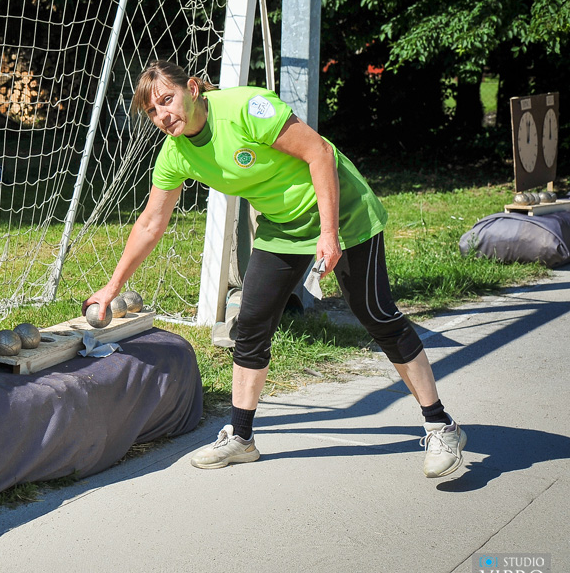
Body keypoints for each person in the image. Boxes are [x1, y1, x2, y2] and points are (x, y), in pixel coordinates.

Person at [84, 60, 467, 478]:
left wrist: (329, 232)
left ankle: (440, 425)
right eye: (153, 111)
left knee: (376, 315)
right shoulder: (176, 154)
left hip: (343, 212)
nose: (162, 115)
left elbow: (318, 152)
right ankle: (241, 438)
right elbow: (150, 223)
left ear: (192, 88)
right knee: (250, 324)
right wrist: (112, 286)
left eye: (166, 100)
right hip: (283, 227)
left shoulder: (247, 108)